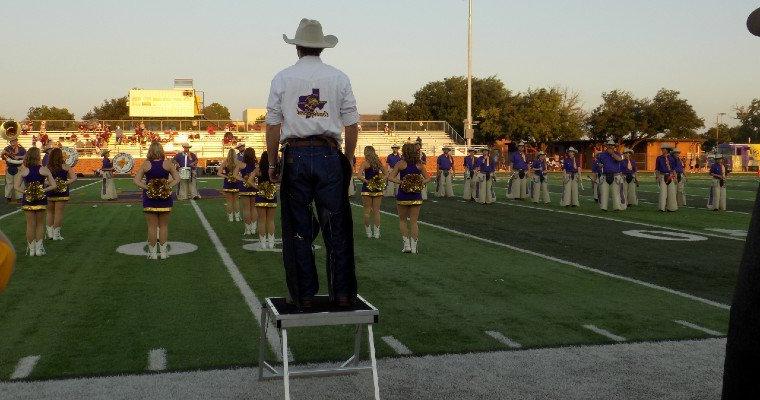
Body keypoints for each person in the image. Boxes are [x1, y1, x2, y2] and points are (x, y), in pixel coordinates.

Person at [265, 18, 360, 308]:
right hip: (330, 154)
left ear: (297, 48)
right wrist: (347, 159)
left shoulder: (282, 78)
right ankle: (342, 294)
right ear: (321, 48)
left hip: (295, 155)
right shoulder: (339, 77)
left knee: (297, 229)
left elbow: (272, 125)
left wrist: (272, 162)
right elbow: (352, 125)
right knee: (338, 227)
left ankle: (304, 295)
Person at [133, 141, 179, 260]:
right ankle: (163, 254)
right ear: (161, 151)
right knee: (163, 226)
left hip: (150, 199)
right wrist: (167, 186)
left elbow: (136, 180)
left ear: (150, 151)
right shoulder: (168, 163)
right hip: (165, 198)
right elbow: (177, 178)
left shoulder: (146, 164)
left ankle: (152, 254)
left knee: (151, 227)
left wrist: (148, 187)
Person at [14, 147, 56, 256]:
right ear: (38, 156)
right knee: (40, 224)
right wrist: (42, 189)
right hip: (41, 200)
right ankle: (39, 249)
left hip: (28, 200)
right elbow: (53, 185)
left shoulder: (24, 170)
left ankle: (31, 250)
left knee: (30, 225)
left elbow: (16, 186)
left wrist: (26, 191)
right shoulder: (44, 169)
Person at [388, 143, 430, 253]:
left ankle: (406, 245)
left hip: (403, 195)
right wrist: (418, 182)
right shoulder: (419, 164)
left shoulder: (400, 164)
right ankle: (414, 248)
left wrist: (402, 182)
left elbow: (390, 177)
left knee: (402, 220)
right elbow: (428, 178)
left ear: (404, 151)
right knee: (414, 222)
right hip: (416, 195)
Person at [45, 148, 76, 241]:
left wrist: (52, 183)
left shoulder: (47, 167)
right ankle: (56, 235)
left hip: (50, 191)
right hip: (62, 192)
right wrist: (64, 183)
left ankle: (50, 234)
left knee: (50, 213)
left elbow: (44, 181)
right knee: (58, 213)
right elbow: (74, 178)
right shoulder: (66, 166)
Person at [357, 146, 386, 238]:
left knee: (367, 211)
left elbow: (359, 176)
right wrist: (380, 181)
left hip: (367, 189)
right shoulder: (378, 163)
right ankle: (377, 233)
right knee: (376, 211)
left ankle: (368, 233)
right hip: (377, 188)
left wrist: (367, 181)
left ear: (366, 153)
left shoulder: (365, 163)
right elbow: (386, 174)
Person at [251, 151, 278, 249]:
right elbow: (280, 181)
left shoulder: (258, 169)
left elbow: (250, 181)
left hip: (260, 196)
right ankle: (271, 243)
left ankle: (262, 243)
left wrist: (258, 187)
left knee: (261, 221)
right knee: (271, 220)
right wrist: (275, 188)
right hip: (272, 196)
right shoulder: (274, 169)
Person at [597, 140, 626, 211]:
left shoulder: (617, 154)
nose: (610, 146)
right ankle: (603, 207)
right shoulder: (602, 155)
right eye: (609, 145)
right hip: (604, 175)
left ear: (614, 147)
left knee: (616, 193)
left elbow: (619, 159)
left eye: (612, 145)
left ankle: (617, 207)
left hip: (615, 176)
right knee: (604, 192)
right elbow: (598, 163)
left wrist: (612, 153)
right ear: (607, 146)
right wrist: (600, 165)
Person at [218, 148, 245, 222]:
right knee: (236, 201)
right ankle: (237, 217)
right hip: (236, 182)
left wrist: (227, 177)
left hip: (228, 183)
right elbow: (243, 171)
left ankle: (230, 218)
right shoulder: (238, 162)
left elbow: (219, 173)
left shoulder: (225, 162)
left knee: (229, 201)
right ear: (235, 155)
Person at [237, 147, 259, 236]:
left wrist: (243, 179)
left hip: (244, 187)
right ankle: (254, 229)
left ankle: (248, 230)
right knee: (254, 208)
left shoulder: (241, 164)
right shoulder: (257, 165)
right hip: (254, 186)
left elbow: (235, 175)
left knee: (246, 209)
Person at [655, 143, 678, 212]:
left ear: (667, 150)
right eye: (662, 149)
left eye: (663, 149)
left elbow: (673, 169)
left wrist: (675, 178)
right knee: (662, 192)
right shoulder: (659, 158)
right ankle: (662, 208)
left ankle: (671, 208)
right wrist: (657, 177)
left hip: (670, 176)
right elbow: (657, 169)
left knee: (672, 192)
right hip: (662, 175)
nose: (662, 150)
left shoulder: (672, 158)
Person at [3, 136, 25, 202]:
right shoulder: (7, 148)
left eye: (14, 141)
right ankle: (8, 197)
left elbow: (25, 156)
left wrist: (19, 157)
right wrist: (4, 154)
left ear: (16, 141)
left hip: (18, 167)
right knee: (9, 183)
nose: (12, 142)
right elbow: (3, 156)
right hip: (9, 167)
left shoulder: (21, 149)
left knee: (18, 183)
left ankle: (19, 197)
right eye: (11, 141)